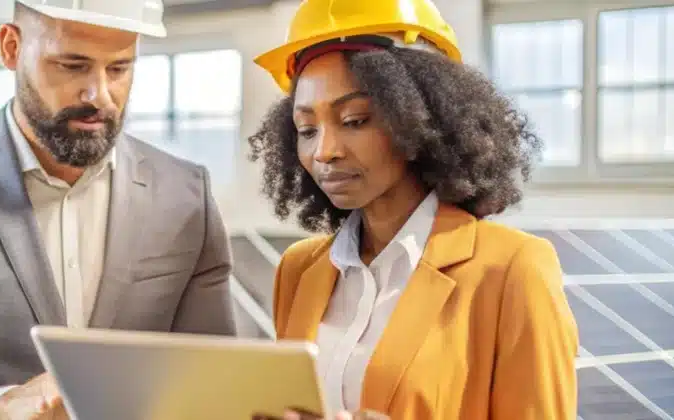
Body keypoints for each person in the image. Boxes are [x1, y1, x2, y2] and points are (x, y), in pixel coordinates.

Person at [0, 0, 237, 419]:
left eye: (119, 69)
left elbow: (215, 385)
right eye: (72, 66)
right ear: (11, 48)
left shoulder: (187, 196)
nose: (100, 95)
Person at [246, 0, 580, 419]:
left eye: (354, 120)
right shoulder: (299, 270)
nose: (324, 152)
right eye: (307, 130)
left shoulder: (513, 270)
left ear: (423, 118)